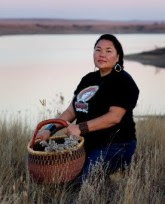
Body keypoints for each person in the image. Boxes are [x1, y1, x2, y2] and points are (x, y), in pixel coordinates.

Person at [36, 34, 139, 179]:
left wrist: (79, 128)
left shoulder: (123, 81)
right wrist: (49, 130)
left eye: (108, 51)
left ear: (118, 56)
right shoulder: (88, 79)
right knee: (57, 175)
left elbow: (114, 117)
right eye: (98, 50)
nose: (102, 54)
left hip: (116, 145)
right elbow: (71, 111)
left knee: (80, 182)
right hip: (84, 144)